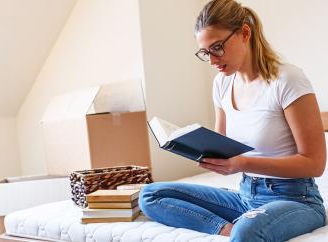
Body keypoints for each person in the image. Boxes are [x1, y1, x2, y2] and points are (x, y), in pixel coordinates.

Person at [138, 0, 326, 241]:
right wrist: (198, 151)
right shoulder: (223, 84)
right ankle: (227, 229)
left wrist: (242, 164)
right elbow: (221, 144)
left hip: (294, 198)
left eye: (217, 48)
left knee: (247, 232)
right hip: (245, 195)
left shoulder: (287, 79)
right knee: (150, 195)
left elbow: (315, 163)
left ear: (245, 33)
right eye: (205, 52)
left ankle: (242, 228)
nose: (212, 61)